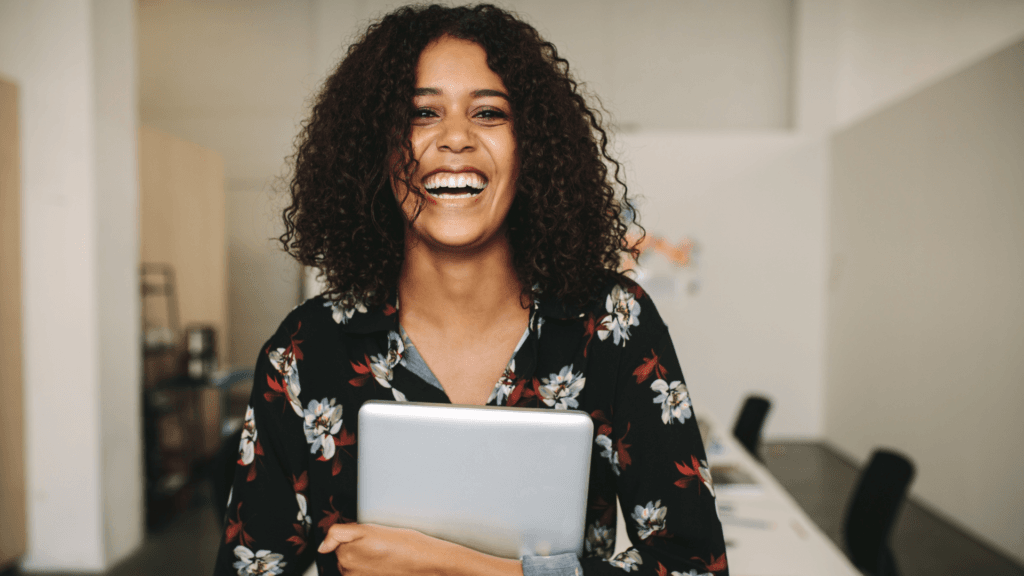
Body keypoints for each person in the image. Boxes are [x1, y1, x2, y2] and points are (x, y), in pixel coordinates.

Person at [214, 4, 727, 576]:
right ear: (377, 149)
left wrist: (457, 567)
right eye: (421, 113)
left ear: (532, 147)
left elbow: (694, 566)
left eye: (488, 113)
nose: (454, 137)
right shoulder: (305, 350)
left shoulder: (612, 323)